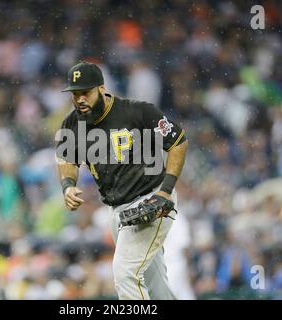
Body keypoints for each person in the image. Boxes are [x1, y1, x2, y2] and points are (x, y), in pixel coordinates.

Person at [55, 61, 188, 300]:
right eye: (75, 94)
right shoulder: (72, 123)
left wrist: (166, 190)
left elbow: (178, 141)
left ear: (102, 88)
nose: (80, 99)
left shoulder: (137, 112)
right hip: (117, 210)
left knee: (125, 273)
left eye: (85, 92)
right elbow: (66, 158)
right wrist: (67, 186)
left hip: (151, 199)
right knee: (154, 283)